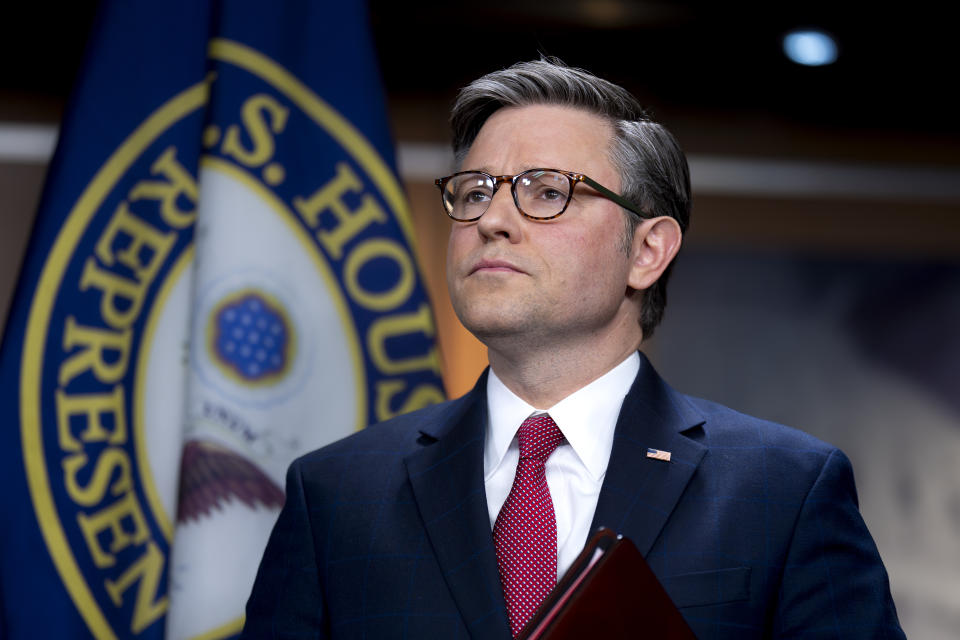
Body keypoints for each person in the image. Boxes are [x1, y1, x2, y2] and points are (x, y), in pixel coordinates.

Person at [241, 58, 904, 639]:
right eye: (474, 192)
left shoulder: (781, 493)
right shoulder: (335, 494)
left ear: (647, 251)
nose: (492, 221)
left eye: (547, 192)